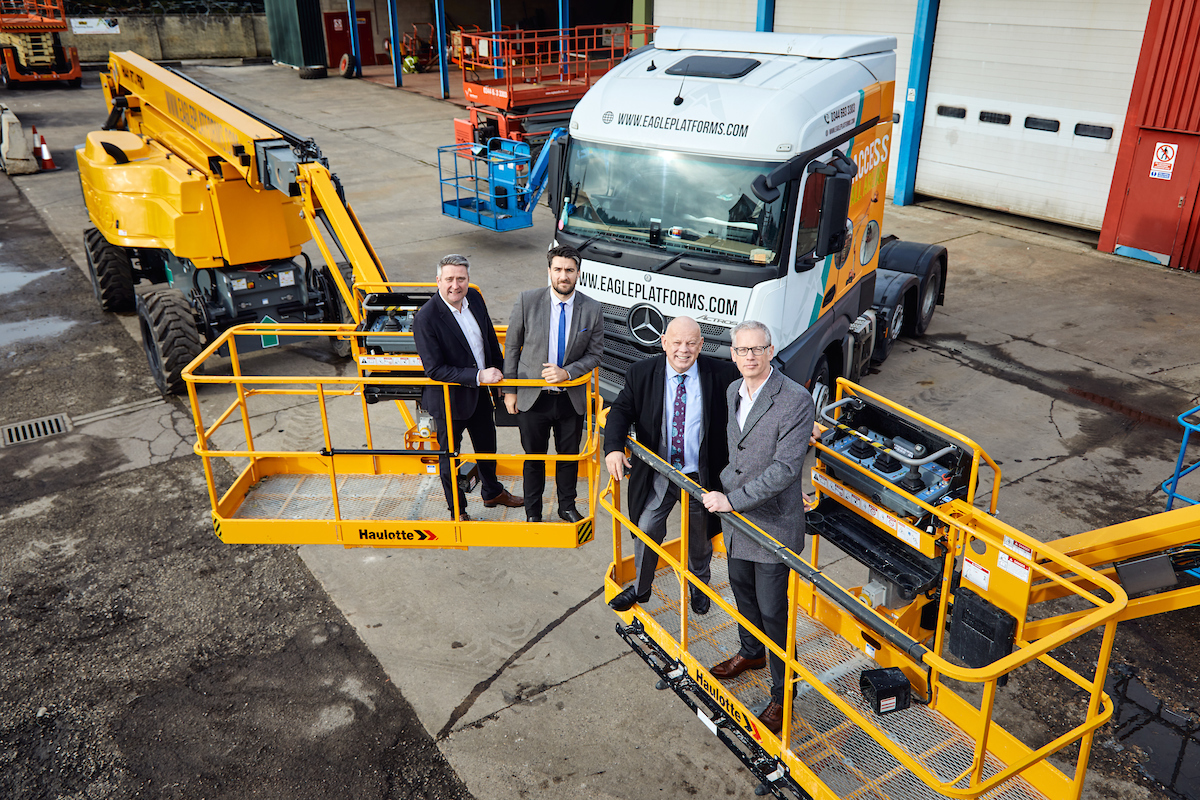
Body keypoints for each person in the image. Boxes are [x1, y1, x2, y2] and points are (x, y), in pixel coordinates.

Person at [701, 320, 815, 736]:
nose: (749, 356)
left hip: (771, 525)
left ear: (771, 350)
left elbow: (785, 469)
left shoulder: (795, 399)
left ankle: (784, 693)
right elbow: (739, 450)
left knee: (773, 612)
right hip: (736, 522)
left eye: (757, 349)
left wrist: (730, 499)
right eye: (742, 350)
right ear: (732, 354)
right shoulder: (734, 391)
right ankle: (750, 652)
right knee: (741, 592)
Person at [604, 316, 742, 615]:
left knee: (699, 542)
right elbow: (620, 410)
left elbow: (761, 386)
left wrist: (803, 418)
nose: (684, 350)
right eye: (676, 342)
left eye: (691, 343)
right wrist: (613, 448)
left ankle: (699, 589)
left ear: (701, 345)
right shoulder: (642, 373)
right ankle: (641, 588)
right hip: (660, 472)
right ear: (664, 342)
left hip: (700, 477)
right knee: (646, 528)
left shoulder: (722, 373)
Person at [412, 254, 524, 520]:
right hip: (448, 401)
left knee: (487, 446)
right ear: (438, 280)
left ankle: (492, 492)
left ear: (468, 279)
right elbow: (435, 369)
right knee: (449, 456)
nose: (455, 285)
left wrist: (501, 377)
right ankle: (458, 510)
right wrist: (478, 376)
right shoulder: (426, 318)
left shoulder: (474, 297)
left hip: (479, 394)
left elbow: (488, 340)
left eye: (460, 278)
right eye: (449, 279)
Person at [503, 245, 604, 523]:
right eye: (558, 269)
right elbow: (512, 346)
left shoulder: (592, 309)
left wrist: (568, 373)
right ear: (549, 271)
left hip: (570, 398)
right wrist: (509, 390)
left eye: (569, 270)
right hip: (532, 396)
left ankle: (566, 507)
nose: (563, 275)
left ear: (578, 273)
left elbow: (595, 354)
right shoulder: (528, 301)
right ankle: (533, 512)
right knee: (533, 457)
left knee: (568, 457)